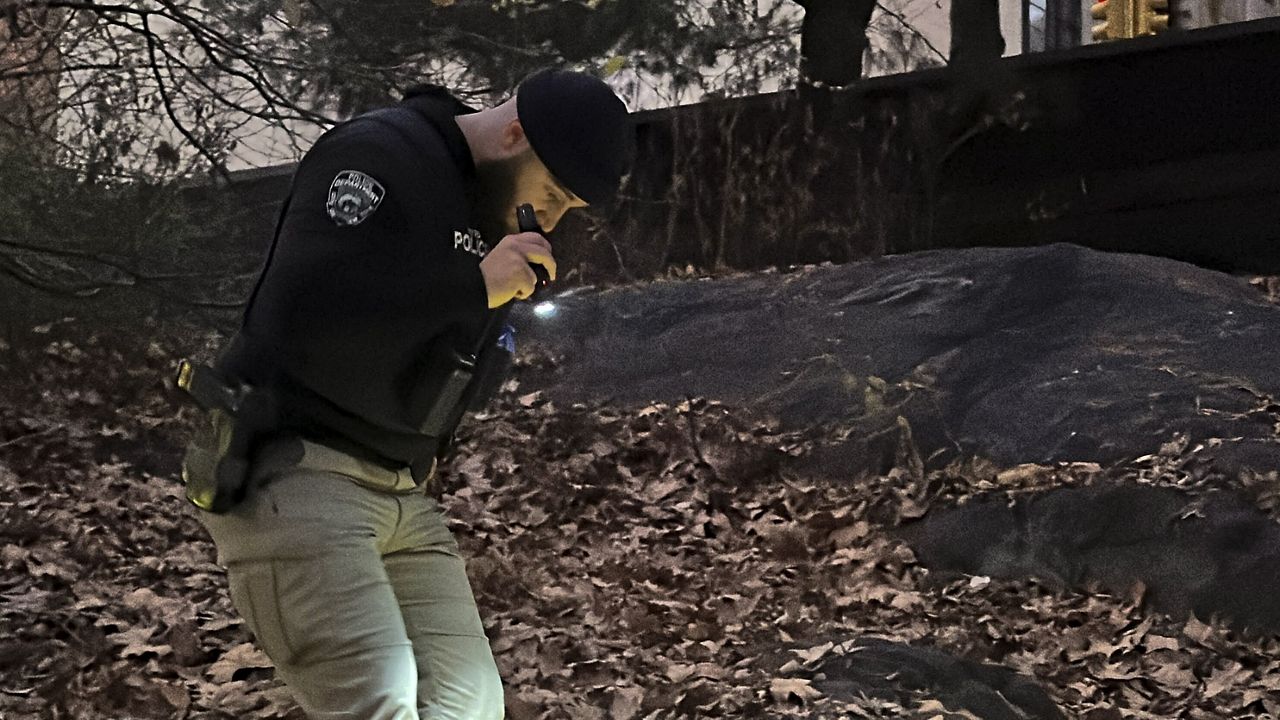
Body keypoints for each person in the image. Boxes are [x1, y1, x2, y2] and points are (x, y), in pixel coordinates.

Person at [190, 69, 631, 719]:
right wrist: (471, 286)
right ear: (513, 134)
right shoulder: (378, 156)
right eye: (556, 195)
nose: (556, 218)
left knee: (468, 702)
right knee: (380, 701)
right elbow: (305, 311)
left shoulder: (487, 209)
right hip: (295, 467)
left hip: (399, 489)